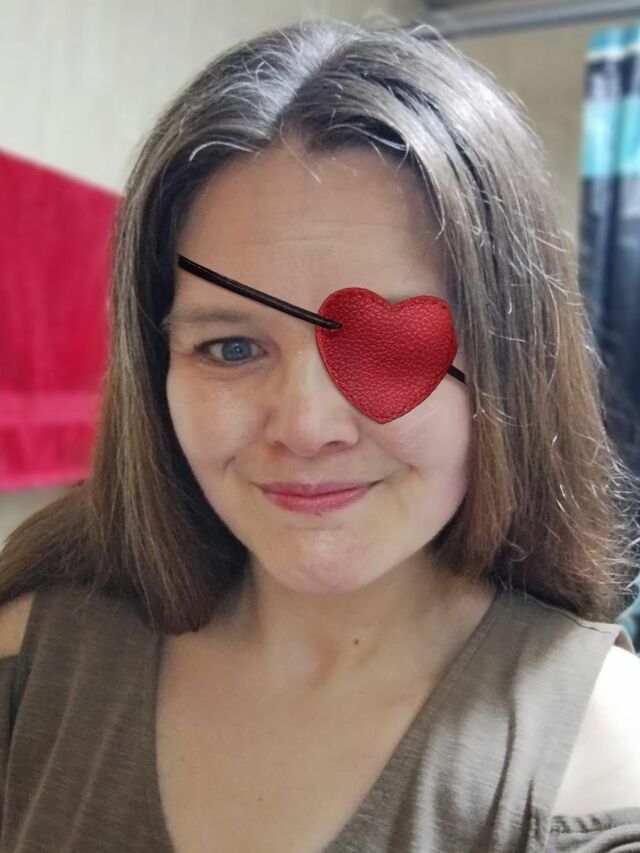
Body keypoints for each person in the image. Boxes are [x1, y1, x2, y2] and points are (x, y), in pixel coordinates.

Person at [1, 17, 640, 853]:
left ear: (510, 366)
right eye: (231, 348)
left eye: (387, 348)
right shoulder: (30, 664)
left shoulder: (602, 755)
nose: (305, 427)